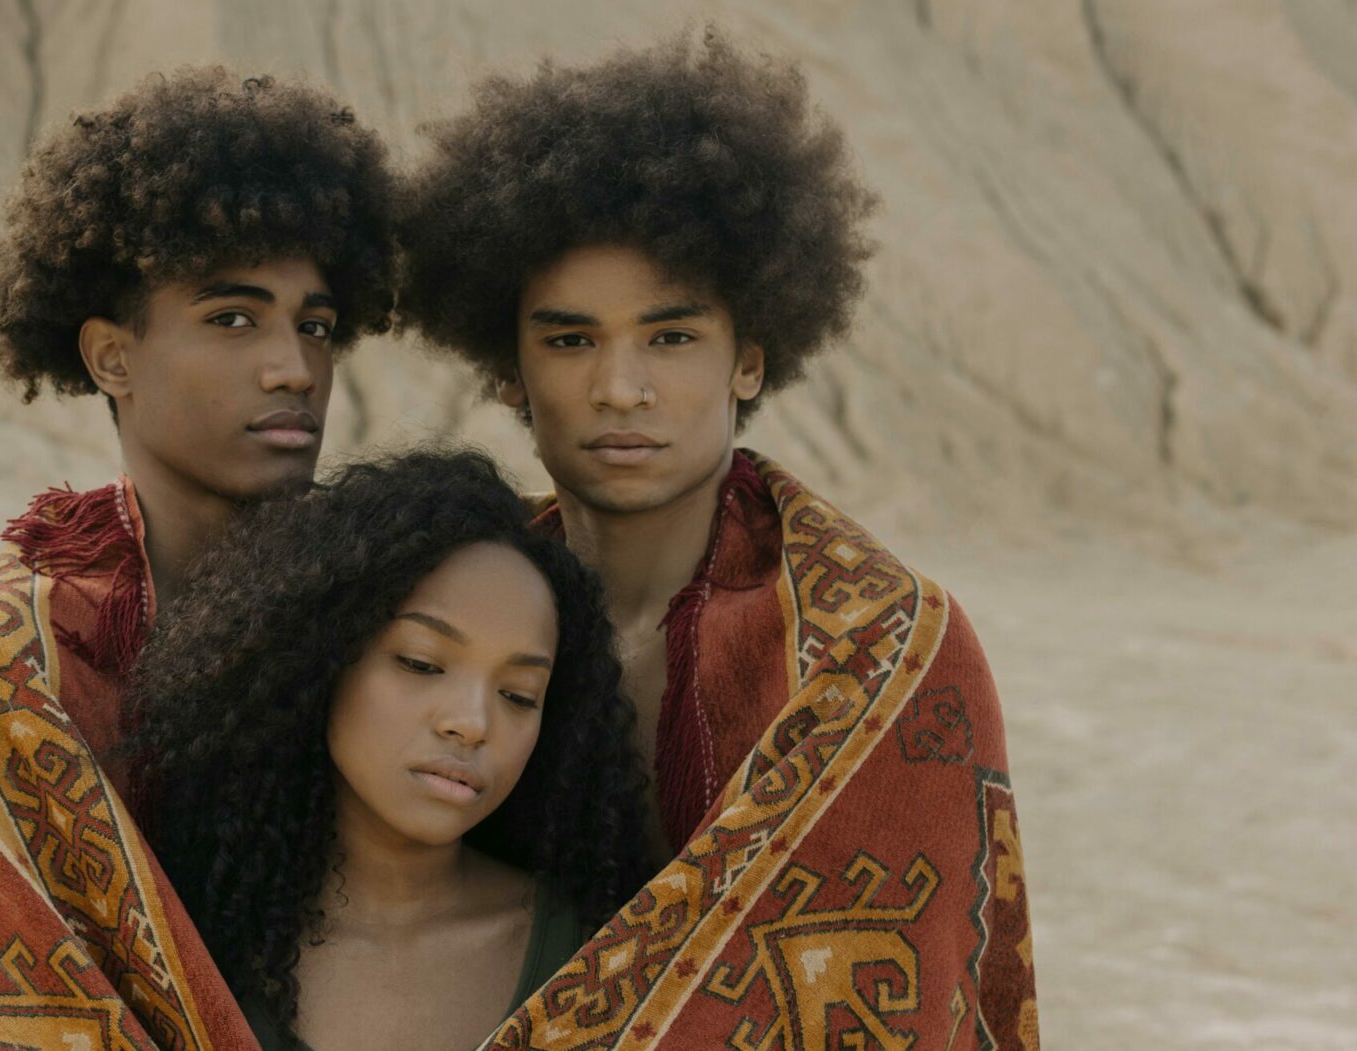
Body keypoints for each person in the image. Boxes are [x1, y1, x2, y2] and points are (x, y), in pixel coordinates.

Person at [395, 31, 1038, 1049]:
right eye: (568, 340)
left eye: (670, 336)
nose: (619, 388)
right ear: (507, 370)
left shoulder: (881, 657)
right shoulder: (430, 613)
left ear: (749, 358)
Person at [0, 68, 396, 1049]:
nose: (291, 368)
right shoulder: (18, 664)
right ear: (111, 357)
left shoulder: (401, 605)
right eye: (232, 318)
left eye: (313, 325)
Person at [126, 449, 652, 1051]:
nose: (472, 723)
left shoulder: (607, 954)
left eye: (518, 694)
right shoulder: (180, 952)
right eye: (421, 663)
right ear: (320, 661)